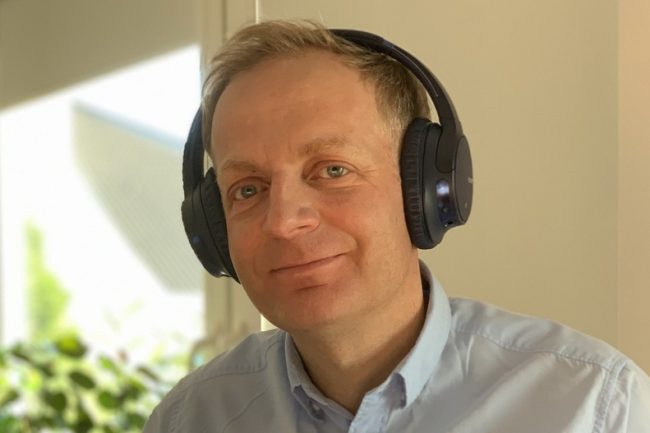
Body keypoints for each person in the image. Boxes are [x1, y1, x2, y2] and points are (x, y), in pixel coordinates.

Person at [144, 20, 650, 432]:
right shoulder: (189, 420)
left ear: (424, 190)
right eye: (248, 189)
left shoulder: (594, 406)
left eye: (333, 170)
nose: (284, 222)